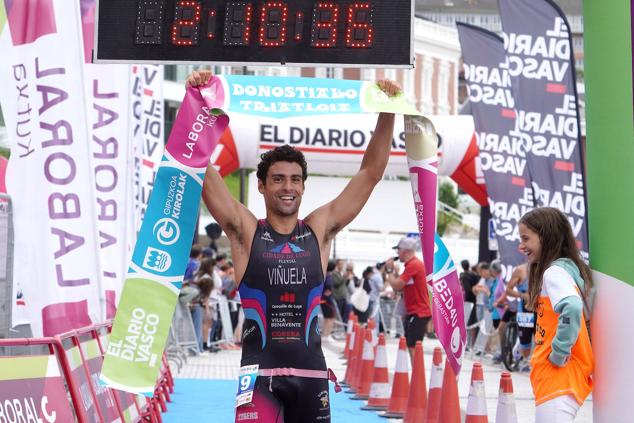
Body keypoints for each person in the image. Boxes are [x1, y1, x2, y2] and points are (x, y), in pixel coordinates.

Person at [188, 70, 399, 423]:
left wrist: (388, 110)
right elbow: (202, 169)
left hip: (311, 375)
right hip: (258, 377)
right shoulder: (245, 231)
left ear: (303, 186)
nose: (288, 187)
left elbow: (370, 174)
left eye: (295, 180)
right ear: (261, 186)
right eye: (278, 179)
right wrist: (196, 104)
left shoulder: (319, 229)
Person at [519, 207, 593, 423]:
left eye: (526, 238)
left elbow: (572, 306)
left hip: (559, 377)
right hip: (558, 378)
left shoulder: (554, 273)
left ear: (546, 237)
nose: (521, 245)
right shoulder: (564, 271)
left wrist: (559, 352)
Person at [384, 236, 432, 359]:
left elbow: (397, 284)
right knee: (411, 346)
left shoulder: (414, 265)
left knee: (413, 347)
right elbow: (399, 288)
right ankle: (416, 375)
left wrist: (389, 270)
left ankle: (418, 376)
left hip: (419, 312)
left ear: (406, 251)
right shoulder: (410, 265)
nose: (397, 253)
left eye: (398, 250)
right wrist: (393, 273)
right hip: (413, 311)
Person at [505, 263, 533, 371]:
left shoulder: (547, 268)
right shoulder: (520, 270)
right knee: (525, 344)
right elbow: (508, 290)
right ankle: (523, 352)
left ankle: (532, 363)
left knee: (541, 340)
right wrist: (522, 295)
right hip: (525, 312)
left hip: (541, 310)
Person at [320, 260, 337, 340]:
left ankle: (324, 335)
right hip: (327, 300)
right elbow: (328, 291)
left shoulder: (323, 275)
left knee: (326, 318)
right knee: (331, 318)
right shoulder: (329, 277)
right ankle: (327, 335)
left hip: (322, 300)